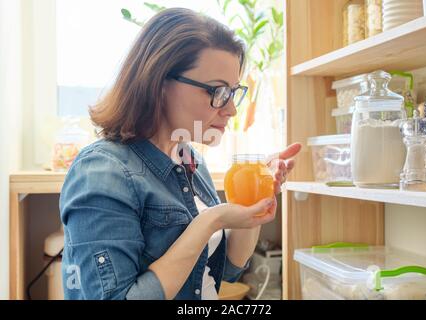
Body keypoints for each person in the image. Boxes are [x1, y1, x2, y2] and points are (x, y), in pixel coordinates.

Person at [60, 7, 301, 300]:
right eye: (217, 91)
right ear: (159, 82)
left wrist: (256, 201)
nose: (231, 109)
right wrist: (210, 221)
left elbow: (227, 271)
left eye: (233, 92)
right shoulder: (100, 172)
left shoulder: (191, 162)